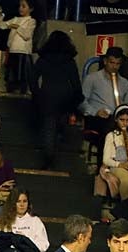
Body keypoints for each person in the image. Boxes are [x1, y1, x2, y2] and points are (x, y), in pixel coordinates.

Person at [29, 30, 81, 169]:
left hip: (47, 95)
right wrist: (76, 100)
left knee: (48, 125)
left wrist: (37, 94)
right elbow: (76, 83)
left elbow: (32, 79)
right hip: (65, 96)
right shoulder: (69, 61)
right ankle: (58, 147)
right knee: (60, 124)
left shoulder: (43, 59)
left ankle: (49, 156)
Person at [0, 186, 48, 252]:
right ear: (12, 203)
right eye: (18, 201)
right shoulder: (2, 221)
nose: (22, 205)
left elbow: (43, 245)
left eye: (24, 201)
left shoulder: (35, 221)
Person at [80, 47, 128, 145]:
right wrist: (95, 112)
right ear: (105, 61)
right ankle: (106, 159)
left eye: (118, 64)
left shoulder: (125, 83)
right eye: (112, 63)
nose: (114, 67)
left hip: (118, 119)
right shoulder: (92, 79)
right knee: (108, 129)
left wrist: (126, 113)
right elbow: (82, 102)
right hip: (96, 118)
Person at [0, 0, 35, 94]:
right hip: (13, 51)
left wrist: (17, 27)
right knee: (12, 75)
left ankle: (23, 93)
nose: (20, 8)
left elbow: (27, 35)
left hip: (23, 52)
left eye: (24, 6)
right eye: (20, 6)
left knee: (22, 75)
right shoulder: (15, 19)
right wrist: (1, 15)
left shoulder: (31, 21)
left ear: (30, 9)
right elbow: (2, 25)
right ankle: (11, 91)